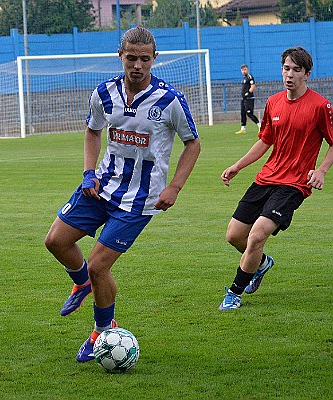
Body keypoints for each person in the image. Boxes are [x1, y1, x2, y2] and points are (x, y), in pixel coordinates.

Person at [45, 26, 201, 360]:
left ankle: (101, 332)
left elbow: (193, 143)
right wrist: (88, 173)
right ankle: (82, 283)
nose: (138, 65)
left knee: (98, 265)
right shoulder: (103, 93)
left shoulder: (170, 100)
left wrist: (174, 186)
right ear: (121, 56)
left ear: (154, 59)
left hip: (139, 201)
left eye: (145, 59)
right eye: (131, 58)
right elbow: (92, 131)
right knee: (55, 241)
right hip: (102, 185)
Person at [219, 46, 333, 310]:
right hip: (266, 178)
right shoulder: (273, 102)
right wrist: (237, 166)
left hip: (294, 184)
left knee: (257, 235)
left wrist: (321, 170)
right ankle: (260, 264)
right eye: (286, 68)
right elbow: (265, 141)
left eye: (296, 70)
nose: (289, 74)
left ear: (307, 74)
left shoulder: (321, 106)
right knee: (235, 235)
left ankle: (234, 293)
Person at [236, 64, 261, 134]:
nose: (244, 71)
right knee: (243, 113)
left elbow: (253, 87)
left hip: (249, 98)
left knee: (249, 113)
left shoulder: (250, 77)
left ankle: (260, 125)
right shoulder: (244, 78)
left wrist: (247, 94)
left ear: (247, 70)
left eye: (245, 70)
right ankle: (243, 128)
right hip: (244, 99)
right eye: (242, 70)